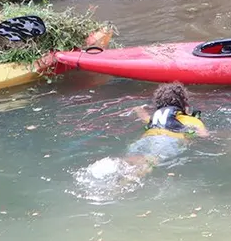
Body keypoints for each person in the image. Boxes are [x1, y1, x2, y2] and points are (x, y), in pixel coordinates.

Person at [76, 82, 207, 192]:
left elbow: (144, 117)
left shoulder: (155, 117)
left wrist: (138, 109)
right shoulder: (189, 120)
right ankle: (117, 189)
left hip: (144, 140)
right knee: (147, 163)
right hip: (166, 142)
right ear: (184, 105)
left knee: (131, 161)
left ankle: (106, 168)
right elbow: (204, 135)